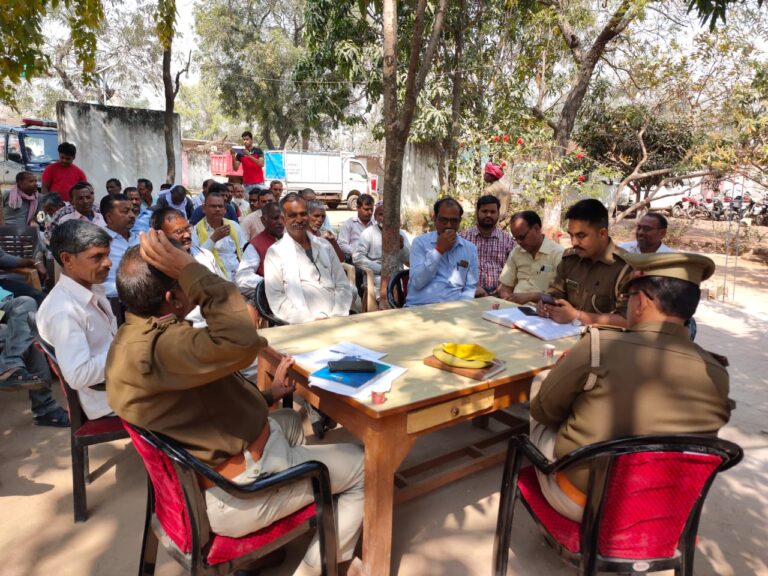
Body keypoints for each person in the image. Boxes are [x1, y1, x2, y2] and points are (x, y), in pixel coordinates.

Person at [106, 233, 364, 575]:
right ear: (173, 297)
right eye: (184, 280)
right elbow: (243, 341)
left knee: (287, 420)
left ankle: (294, 524)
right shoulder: (165, 348)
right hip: (236, 492)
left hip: (214, 468)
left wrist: (270, 394)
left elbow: (207, 399)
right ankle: (322, 566)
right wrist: (191, 268)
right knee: (363, 464)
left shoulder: (132, 336)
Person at [529, 252, 730, 521]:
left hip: (584, 501)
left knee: (542, 385)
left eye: (629, 296)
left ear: (643, 301)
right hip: (664, 503)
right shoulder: (716, 372)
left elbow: (544, 413)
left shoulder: (599, 347)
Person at [37, 220, 115, 420]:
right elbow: (78, 374)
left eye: (107, 254)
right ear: (67, 259)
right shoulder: (63, 311)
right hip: (107, 399)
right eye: (97, 257)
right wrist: (129, 353)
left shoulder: (91, 287)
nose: (108, 263)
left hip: (118, 382)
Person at [536, 198, 629, 328]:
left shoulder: (625, 267)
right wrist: (546, 304)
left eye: (581, 236)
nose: (574, 243)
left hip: (602, 341)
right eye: (571, 235)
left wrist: (577, 316)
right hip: (561, 333)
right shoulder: (570, 259)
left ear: (602, 233)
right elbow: (556, 292)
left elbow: (628, 320)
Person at [264, 193, 356, 324]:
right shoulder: (275, 252)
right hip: (303, 324)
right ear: (283, 219)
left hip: (337, 319)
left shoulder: (324, 245)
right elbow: (277, 299)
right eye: (292, 215)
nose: (299, 219)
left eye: (303, 214)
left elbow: (342, 284)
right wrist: (310, 320)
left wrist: (337, 316)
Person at [405, 197, 478, 306]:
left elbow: (470, 287)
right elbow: (417, 282)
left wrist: (462, 308)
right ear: (435, 219)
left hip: (454, 310)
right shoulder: (420, 243)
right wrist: (439, 250)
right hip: (420, 307)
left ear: (460, 221)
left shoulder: (469, 249)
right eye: (443, 220)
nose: (448, 225)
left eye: (454, 221)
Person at [497, 210, 565, 304]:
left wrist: (532, 297)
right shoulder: (516, 252)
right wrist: (509, 303)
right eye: (515, 238)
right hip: (514, 309)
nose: (519, 242)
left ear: (537, 228)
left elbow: (560, 297)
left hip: (544, 311)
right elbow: (505, 287)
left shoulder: (558, 255)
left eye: (522, 237)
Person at [353, 201, 410, 301]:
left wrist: (402, 247)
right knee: (387, 292)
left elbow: (410, 261)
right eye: (381, 214)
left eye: (388, 214)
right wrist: (381, 269)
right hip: (376, 276)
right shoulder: (368, 233)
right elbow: (357, 257)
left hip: (397, 276)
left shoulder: (400, 233)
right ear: (375, 217)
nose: (385, 218)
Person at [459, 195, 515, 296]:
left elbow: (515, 268)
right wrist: (473, 287)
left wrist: (504, 287)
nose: (488, 215)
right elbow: (457, 267)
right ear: (477, 212)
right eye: (484, 211)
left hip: (500, 294)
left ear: (498, 214)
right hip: (470, 292)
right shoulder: (464, 238)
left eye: (493, 212)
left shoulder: (508, 241)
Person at [191, 190, 244, 281]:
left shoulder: (233, 226)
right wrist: (213, 239)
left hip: (238, 274)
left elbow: (243, 250)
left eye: (220, 206)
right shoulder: (196, 230)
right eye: (213, 206)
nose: (217, 209)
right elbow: (197, 258)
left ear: (225, 210)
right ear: (204, 208)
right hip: (214, 277)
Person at [100, 193, 138, 306]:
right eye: (125, 211)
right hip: (113, 304)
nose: (132, 215)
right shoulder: (98, 242)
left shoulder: (141, 239)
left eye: (133, 210)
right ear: (109, 217)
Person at [236, 202, 284, 290]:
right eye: (275, 218)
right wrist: (272, 283)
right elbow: (242, 277)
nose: (280, 222)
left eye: (283, 218)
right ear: (263, 220)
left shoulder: (291, 240)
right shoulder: (255, 245)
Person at [337, 194, 375, 259]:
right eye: (366, 209)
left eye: (372, 209)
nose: (370, 212)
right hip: (355, 259)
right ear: (357, 208)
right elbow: (342, 244)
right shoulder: (349, 224)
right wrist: (356, 252)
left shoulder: (375, 224)